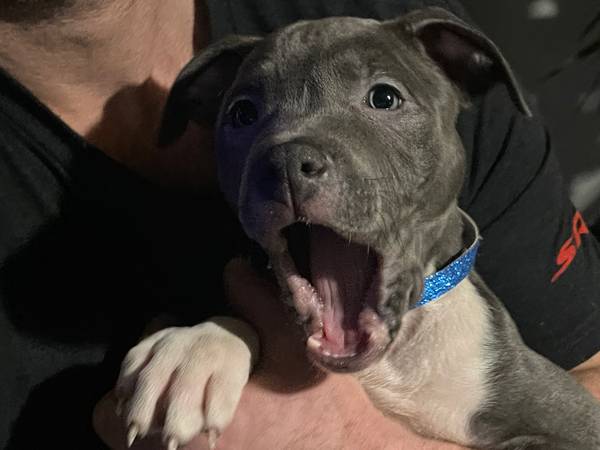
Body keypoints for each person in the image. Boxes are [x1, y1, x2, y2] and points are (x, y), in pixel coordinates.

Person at [0, 1, 599, 449]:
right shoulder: (229, 302)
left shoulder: (487, 359)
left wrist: (336, 437)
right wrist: (223, 337)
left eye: (383, 99)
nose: (289, 153)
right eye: (245, 113)